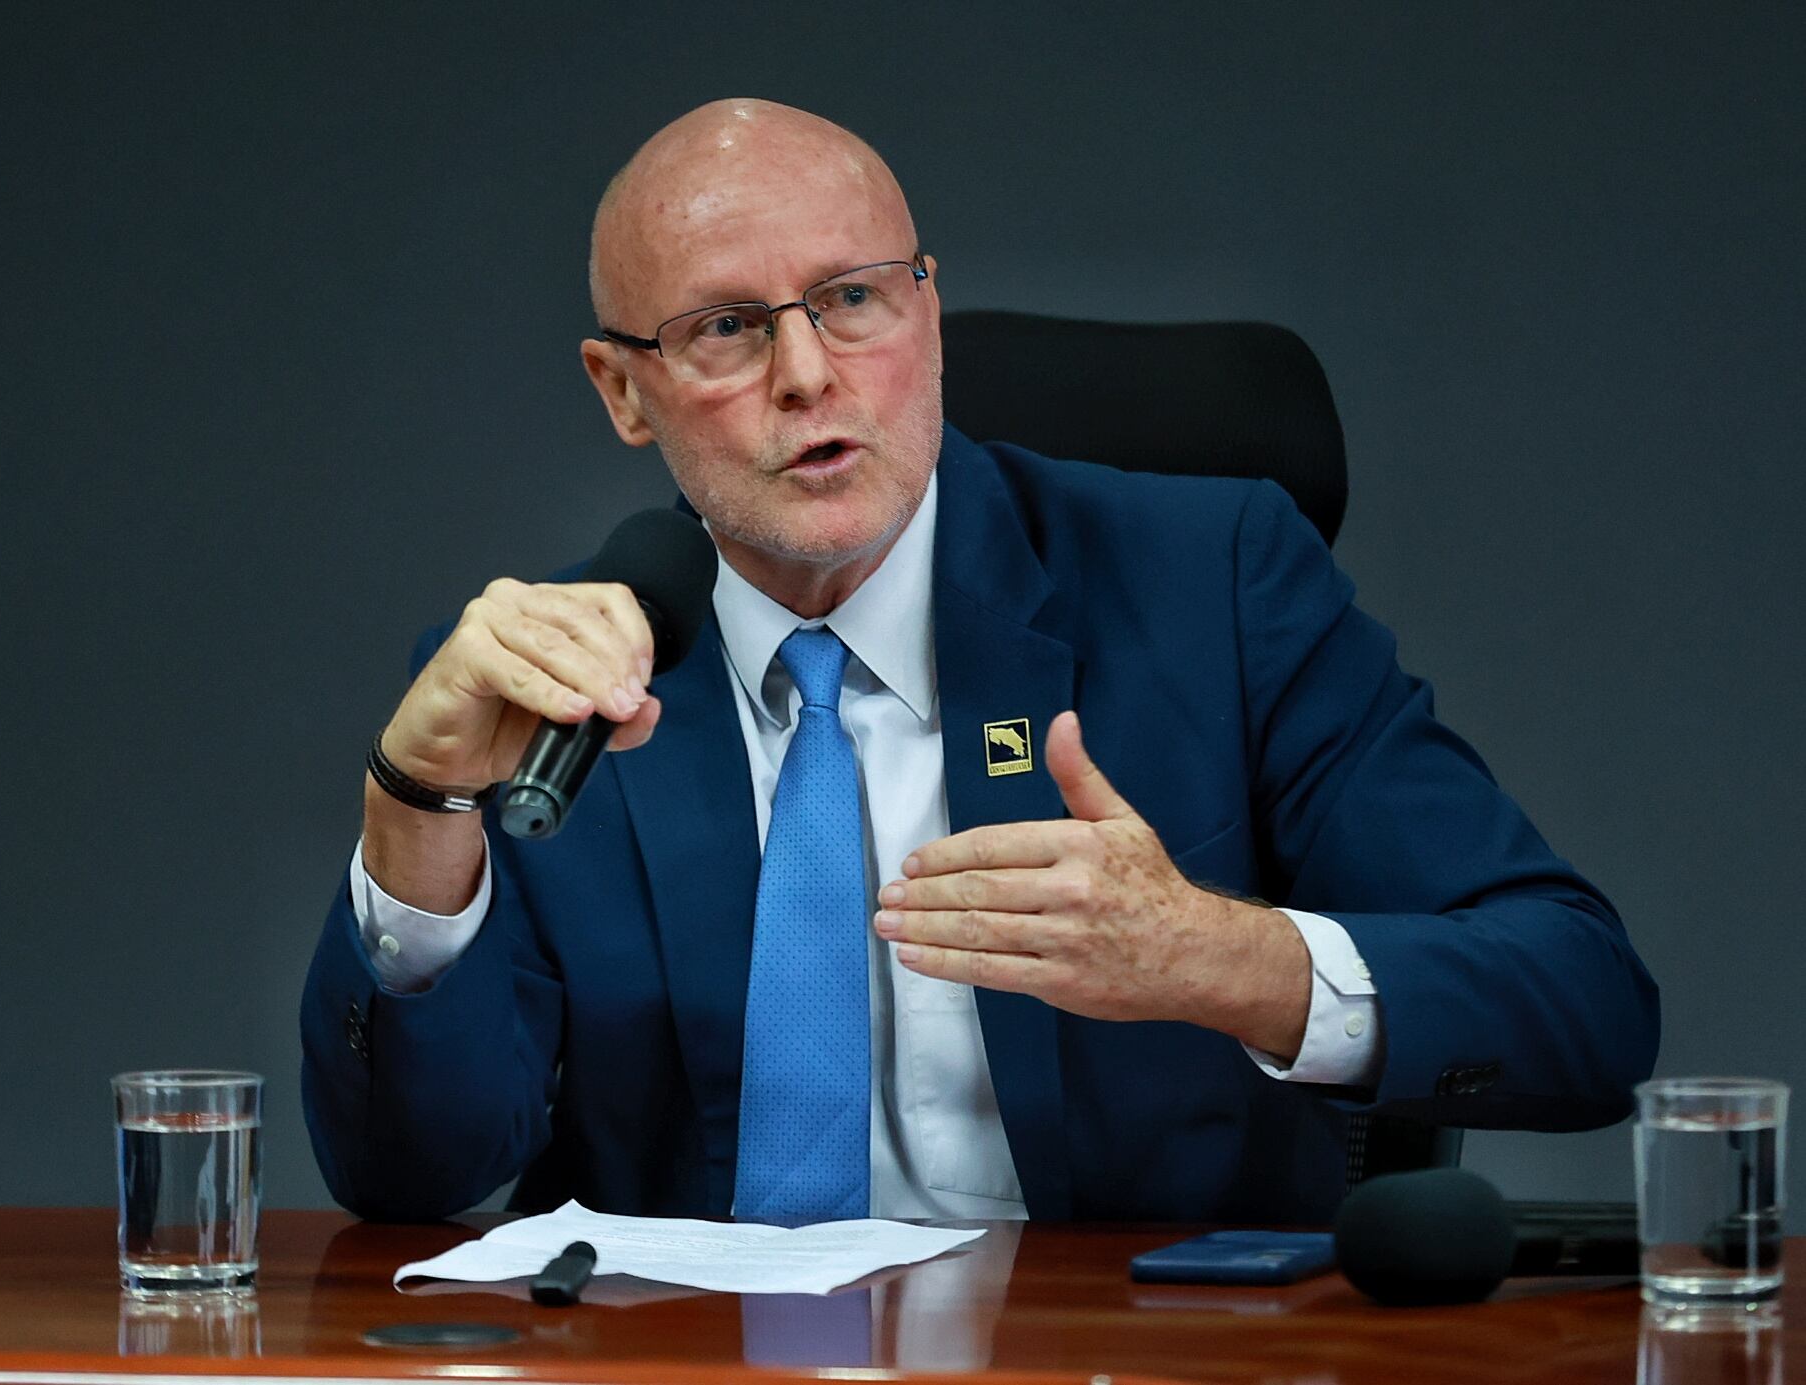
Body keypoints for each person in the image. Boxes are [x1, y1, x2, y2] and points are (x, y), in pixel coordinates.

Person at [300, 99, 1659, 1224]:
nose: (805, 374)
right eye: (724, 328)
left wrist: (1220, 958)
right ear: (620, 389)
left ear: (928, 315)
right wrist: (413, 817)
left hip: (1117, 1366)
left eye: (851, 300)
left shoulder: (1212, 586)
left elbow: (1584, 1003)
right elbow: (412, 1179)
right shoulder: (547, 694)